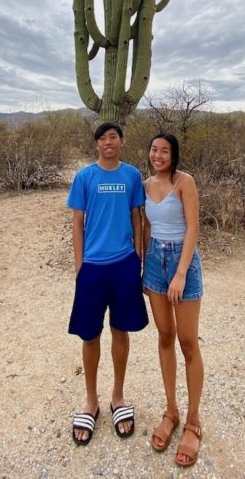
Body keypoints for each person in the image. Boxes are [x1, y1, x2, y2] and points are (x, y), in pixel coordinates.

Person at [68, 122, 148, 446]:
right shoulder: (85, 177)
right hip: (93, 267)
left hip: (124, 264)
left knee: (120, 331)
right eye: (102, 138)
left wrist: (137, 259)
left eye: (113, 137)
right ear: (97, 145)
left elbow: (137, 217)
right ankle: (91, 401)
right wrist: (79, 266)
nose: (108, 142)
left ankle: (117, 397)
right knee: (90, 335)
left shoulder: (131, 175)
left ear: (122, 142)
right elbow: (76, 223)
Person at [142, 132, 204, 468]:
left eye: (164, 150)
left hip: (183, 261)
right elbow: (146, 228)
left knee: (187, 341)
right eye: (154, 149)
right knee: (164, 336)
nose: (158, 155)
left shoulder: (185, 182)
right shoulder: (146, 184)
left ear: (174, 155)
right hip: (154, 263)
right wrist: (143, 268)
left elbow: (193, 227)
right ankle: (172, 410)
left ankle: (194, 421)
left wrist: (180, 273)